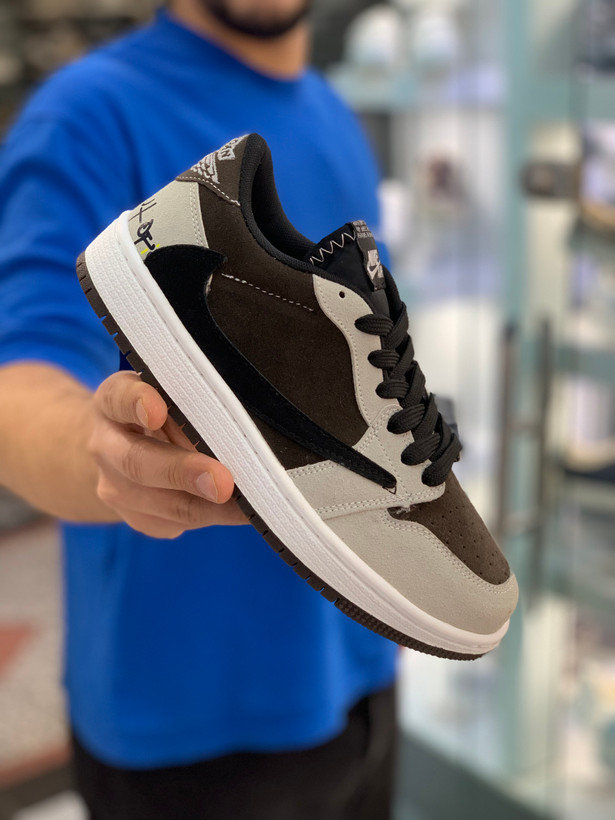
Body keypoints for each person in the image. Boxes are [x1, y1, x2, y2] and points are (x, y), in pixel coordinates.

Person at [0, 1, 398, 817]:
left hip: (365, 653)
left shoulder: (333, 112)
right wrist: (102, 449)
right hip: (186, 712)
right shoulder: (85, 112)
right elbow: (20, 381)